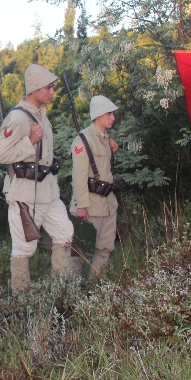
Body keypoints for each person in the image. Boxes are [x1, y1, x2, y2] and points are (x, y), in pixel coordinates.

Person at [0, 64, 76, 294]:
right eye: (48, 88)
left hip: (48, 192)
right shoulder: (18, 118)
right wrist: (29, 140)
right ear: (34, 89)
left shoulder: (42, 115)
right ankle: (21, 300)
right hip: (25, 194)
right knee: (23, 249)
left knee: (65, 233)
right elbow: (2, 155)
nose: (52, 92)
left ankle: (61, 290)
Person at [70, 95, 120, 276]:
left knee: (105, 248)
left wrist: (113, 152)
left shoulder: (106, 139)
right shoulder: (83, 140)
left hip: (107, 204)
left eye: (113, 114)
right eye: (109, 114)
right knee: (81, 252)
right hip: (90, 206)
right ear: (98, 115)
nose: (113, 117)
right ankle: (73, 292)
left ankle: (96, 288)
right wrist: (81, 206)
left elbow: (105, 171)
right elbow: (79, 175)